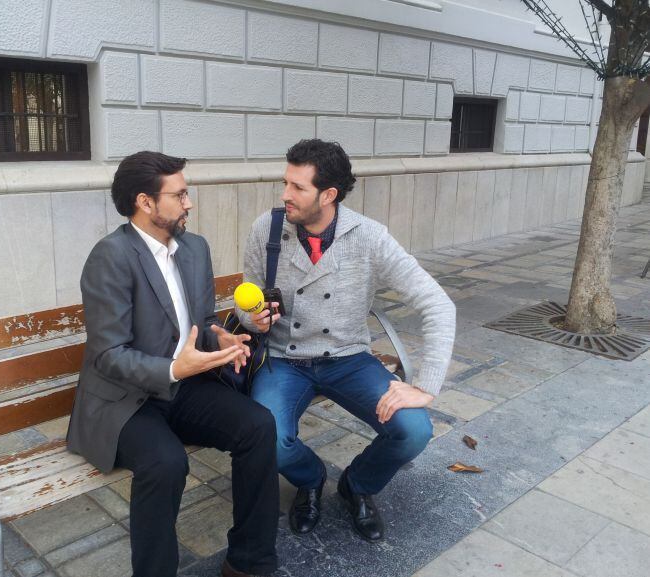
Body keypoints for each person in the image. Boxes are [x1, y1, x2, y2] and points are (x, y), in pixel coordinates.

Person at [67, 151, 279, 577]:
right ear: (145, 203)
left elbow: (200, 321)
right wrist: (173, 370)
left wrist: (220, 335)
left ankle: (249, 561)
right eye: (180, 195)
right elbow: (108, 355)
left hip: (185, 387)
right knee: (166, 464)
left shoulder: (194, 248)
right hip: (127, 401)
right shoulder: (111, 256)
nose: (189, 203)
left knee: (259, 425)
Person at [238, 139, 456, 542]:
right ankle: (311, 477)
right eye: (285, 182)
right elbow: (246, 294)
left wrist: (426, 386)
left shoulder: (370, 237)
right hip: (284, 358)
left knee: (414, 430)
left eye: (298, 187)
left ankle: (358, 484)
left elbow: (438, 304)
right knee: (269, 440)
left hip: (348, 357)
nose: (285, 194)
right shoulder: (267, 229)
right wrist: (252, 319)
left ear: (329, 194)